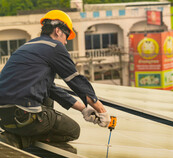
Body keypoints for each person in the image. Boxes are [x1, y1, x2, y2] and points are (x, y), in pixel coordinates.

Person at [0, 10, 110, 149]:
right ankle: (17, 139)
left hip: (4, 117)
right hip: (26, 116)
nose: (65, 42)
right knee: (73, 131)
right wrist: (101, 110)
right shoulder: (54, 47)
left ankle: (14, 136)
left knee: (47, 95)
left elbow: (51, 89)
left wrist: (83, 109)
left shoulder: (27, 47)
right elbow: (76, 81)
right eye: (66, 36)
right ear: (58, 31)